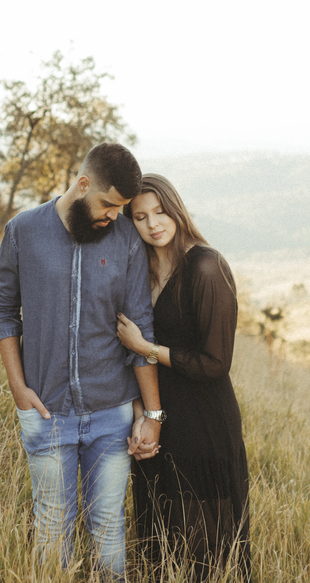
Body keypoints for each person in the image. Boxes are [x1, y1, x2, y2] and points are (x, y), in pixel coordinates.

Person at [0, 143, 165, 581]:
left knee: (108, 529)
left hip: (111, 415)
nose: (113, 216)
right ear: (83, 184)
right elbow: (4, 311)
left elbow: (138, 327)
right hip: (46, 412)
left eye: (120, 208)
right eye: (108, 205)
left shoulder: (125, 238)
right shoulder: (23, 231)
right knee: (52, 531)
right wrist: (18, 387)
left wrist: (153, 415)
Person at [116, 173, 250, 581]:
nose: (153, 223)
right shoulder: (140, 269)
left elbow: (215, 362)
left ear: (176, 209)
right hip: (158, 417)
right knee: (160, 532)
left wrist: (146, 348)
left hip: (204, 421)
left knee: (204, 545)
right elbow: (125, 354)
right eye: (140, 217)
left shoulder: (206, 266)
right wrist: (143, 414)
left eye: (160, 211)